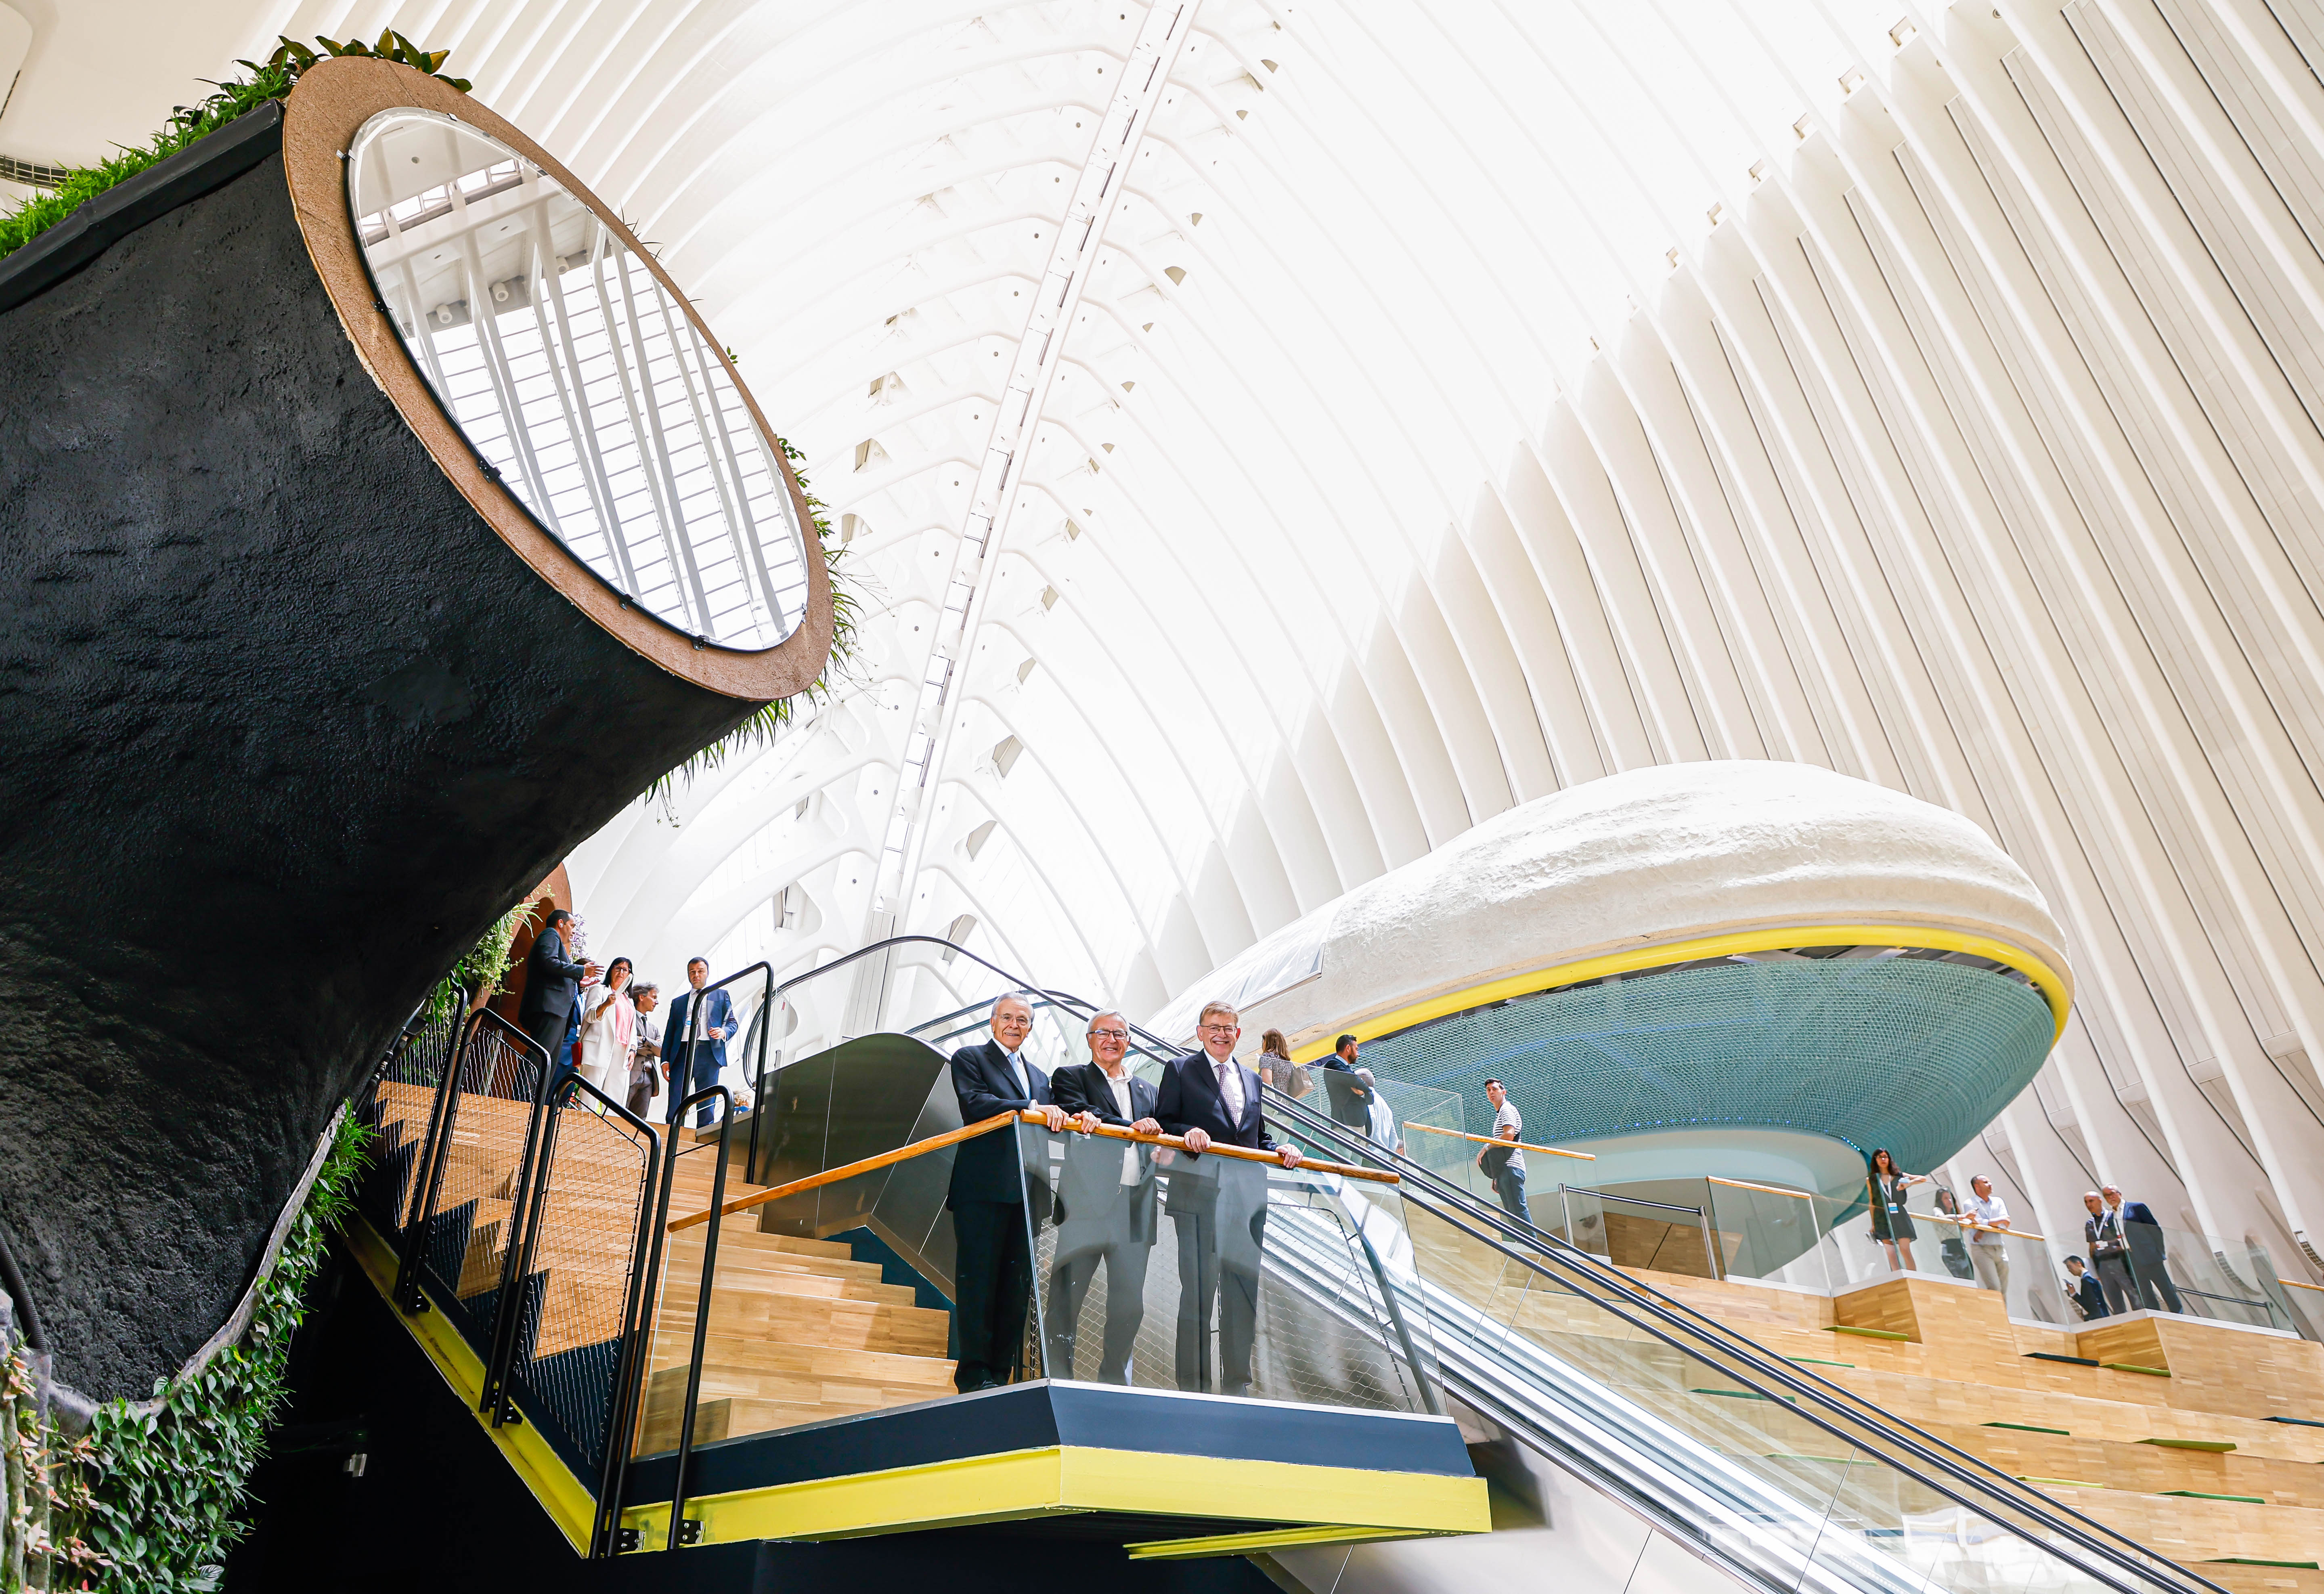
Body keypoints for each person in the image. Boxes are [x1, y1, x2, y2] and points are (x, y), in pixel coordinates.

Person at [1155, 1000, 1303, 1398]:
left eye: (1230, 1028)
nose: (1222, 1034)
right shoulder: (1179, 1070)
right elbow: (1164, 1121)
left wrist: (1281, 1150)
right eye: (1214, 1027)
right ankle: (1194, 1386)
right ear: (1200, 1032)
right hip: (1199, 1196)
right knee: (1199, 1293)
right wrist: (1187, 1132)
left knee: (1242, 1294)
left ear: (1238, 1034)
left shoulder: (1253, 1080)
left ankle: (1238, 1382)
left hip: (1247, 1201)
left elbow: (1256, 1138)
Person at [946, 993, 1067, 1392]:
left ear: (1031, 1028)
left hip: (1026, 1196)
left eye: (1024, 1020)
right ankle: (974, 1375)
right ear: (993, 1021)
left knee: (1015, 1288)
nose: (1015, 1025)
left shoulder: (1039, 1075)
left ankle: (1000, 1375)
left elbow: (1051, 1125)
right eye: (1008, 1018)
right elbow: (975, 1104)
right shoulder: (970, 1059)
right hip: (982, 1191)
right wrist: (1030, 1107)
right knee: (978, 1283)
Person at [1046, 1009, 1163, 1383]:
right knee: (1067, 1299)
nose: (1112, 1040)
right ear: (1090, 1039)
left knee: (1130, 1305)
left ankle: (1114, 1381)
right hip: (1086, 1208)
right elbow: (1083, 1112)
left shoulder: (1147, 1090)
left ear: (1129, 1041)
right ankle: (1057, 1378)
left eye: (1120, 1034)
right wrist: (1133, 1127)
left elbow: (1164, 1133)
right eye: (1103, 1033)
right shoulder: (1071, 1077)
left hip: (1135, 1209)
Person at [517, 908, 598, 1073]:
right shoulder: (551, 935)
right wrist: (581, 970)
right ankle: (522, 1097)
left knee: (548, 1064)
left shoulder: (558, 944)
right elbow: (548, 962)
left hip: (557, 1011)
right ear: (561, 923)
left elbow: (556, 973)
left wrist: (580, 984)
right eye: (572, 926)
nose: (574, 932)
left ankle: (534, 1098)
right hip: (550, 1008)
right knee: (539, 1058)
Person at [660, 958, 736, 1128]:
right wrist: (665, 1060)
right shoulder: (678, 1002)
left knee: (707, 1102)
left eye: (700, 971)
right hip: (683, 1053)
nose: (696, 975)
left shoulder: (721, 995)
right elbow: (670, 1033)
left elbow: (732, 1023)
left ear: (707, 973)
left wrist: (723, 1032)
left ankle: (704, 1136)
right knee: (676, 1098)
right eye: (692, 972)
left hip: (709, 1053)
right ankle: (672, 1134)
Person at [2104, 1185, 2184, 1313]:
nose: (2111, 1197)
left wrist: (2159, 1252)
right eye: (2107, 1196)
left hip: (2150, 1256)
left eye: (2112, 1193)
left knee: (2166, 1288)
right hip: (2131, 1259)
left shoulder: (2136, 1208)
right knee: (2145, 1293)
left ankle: (2179, 1315)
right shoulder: (2111, 1218)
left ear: (2120, 1194)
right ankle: (2156, 1316)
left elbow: (2155, 1229)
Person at [576, 956, 634, 1097]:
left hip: (622, 1051)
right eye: (618, 968)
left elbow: (631, 1028)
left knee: (616, 1097)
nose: (621, 972)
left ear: (629, 975)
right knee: (589, 1095)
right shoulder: (600, 990)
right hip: (599, 1047)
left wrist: (633, 1049)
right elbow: (589, 1017)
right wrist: (606, 1004)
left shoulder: (629, 1000)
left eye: (625, 970)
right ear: (611, 971)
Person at [1477, 1079, 1529, 1223]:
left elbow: (1509, 1135)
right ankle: (1524, 1243)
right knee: (1513, 1213)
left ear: (1503, 1092)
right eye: (1488, 1090)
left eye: (1495, 1089)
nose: (1491, 1092)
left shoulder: (1507, 1109)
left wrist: (1486, 1147)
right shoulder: (1500, 1114)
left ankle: (1532, 1244)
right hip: (1506, 1169)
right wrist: (1496, 1175)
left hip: (1511, 1167)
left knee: (1518, 1210)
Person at [1867, 1149, 1926, 1273]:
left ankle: (1914, 1277)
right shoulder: (1872, 1180)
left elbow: (1922, 1178)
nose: (1883, 1160)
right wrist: (1873, 1224)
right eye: (1879, 1157)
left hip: (1899, 1214)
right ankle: (1899, 1278)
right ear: (1875, 1160)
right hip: (1882, 1217)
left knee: (1905, 1249)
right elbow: (1872, 1202)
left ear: (1889, 1159)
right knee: (1891, 1253)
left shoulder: (1899, 1176)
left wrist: (1909, 1184)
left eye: (1885, 1157)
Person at [2083, 1190, 2136, 1315]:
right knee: (2115, 1302)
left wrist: (2108, 1245)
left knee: (2134, 1296)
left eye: (2091, 1201)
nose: (2089, 1205)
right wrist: (2096, 1269)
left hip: (2119, 1261)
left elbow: (2122, 1238)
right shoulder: (2090, 1224)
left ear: (2100, 1201)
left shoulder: (2112, 1217)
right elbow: (2092, 1247)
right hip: (2103, 1265)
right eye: (2086, 1202)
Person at [1964, 1175, 2013, 1297]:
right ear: (1977, 1186)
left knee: (2004, 1290)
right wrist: (1994, 1223)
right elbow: (1976, 1221)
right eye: (1986, 1182)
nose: (1990, 1184)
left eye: (1990, 1182)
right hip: (1982, 1249)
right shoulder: (1970, 1203)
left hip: (2000, 1248)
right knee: (1994, 1288)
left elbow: (2006, 1222)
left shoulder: (1998, 1201)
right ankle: (1996, 1315)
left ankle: (2003, 1316)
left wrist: (1983, 1229)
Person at [1318, 1032, 1374, 1135]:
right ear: (1348, 1048)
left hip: (1361, 1125)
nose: (1358, 1054)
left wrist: (1363, 1093)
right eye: (1356, 1049)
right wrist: (1367, 1090)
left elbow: (1370, 1099)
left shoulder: (1347, 1069)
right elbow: (1354, 1080)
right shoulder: (1333, 1065)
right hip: (1345, 1124)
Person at [627, 982, 662, 1119]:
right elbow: (630, 1043)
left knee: (640, 1122)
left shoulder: (654, 1029)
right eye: (654, 997)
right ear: (642, 997)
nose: (657, 1002)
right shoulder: (628, 1019)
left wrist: (644, 1040)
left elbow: (661, 1051)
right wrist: (651, 1048)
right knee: (619, 1115)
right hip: (631, 1074)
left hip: (649, 1078)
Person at [1933, 1186, 1976, 1280]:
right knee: (1959, 1277)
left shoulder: (1956, 1214)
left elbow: (1965, 1226)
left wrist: (1970, 1219)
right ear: (1940, 1200)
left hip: (1960, 1246)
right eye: (1946, 1198)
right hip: (1948, 1247)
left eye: (1950, 1198)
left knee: (1969, 1276)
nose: (1949, 1201)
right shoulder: (1938, 1210)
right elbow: (1942, 1218)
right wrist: (1964, 1216)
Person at [2063, 1255, 2110, 1321]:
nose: (2069, 1270)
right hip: (2101, 1315)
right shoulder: (2088, 1278)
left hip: (2099, 1318)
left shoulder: (2087, 1280)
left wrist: (2074, 1294)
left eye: (2070, 1267)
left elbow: (2090, 1304)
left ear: (2079, 1263)